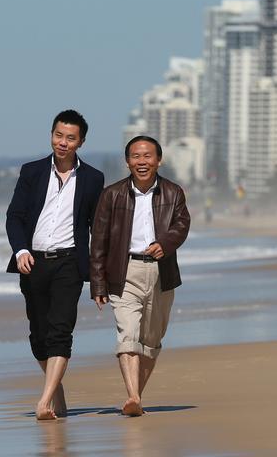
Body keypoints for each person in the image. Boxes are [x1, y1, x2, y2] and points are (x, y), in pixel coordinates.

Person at [6, 109, 104, 420]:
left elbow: (96, 226)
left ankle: (44, 401)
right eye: (58, 135)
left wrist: (99, 272)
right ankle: (57, 389)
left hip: (69, 263)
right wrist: (21, 250)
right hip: (33, 262)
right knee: (39, 335)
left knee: (61, 330)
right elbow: (15, 217)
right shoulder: (32, 172)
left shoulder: (92, 178)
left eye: (70, 138)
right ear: (51, 135)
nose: (63, 142)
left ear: (81, 141)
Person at [90, 136, 190, 416]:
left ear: (159, 160)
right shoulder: (112, 195)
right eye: (136, 156)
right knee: (128, 334)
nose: (141, 162)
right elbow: (98, 242)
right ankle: (133, 396)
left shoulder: (173, 192)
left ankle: (136, 397)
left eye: (147, 156)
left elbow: (182, 224)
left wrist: (166, 244)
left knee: (150, 341)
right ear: (127, 161)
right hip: (124, 271)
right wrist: (98, 283)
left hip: (162, 272)